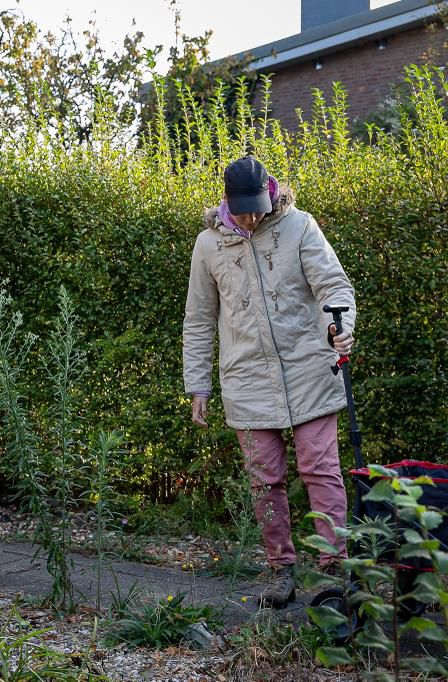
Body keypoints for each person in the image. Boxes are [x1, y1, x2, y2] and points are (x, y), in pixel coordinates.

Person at [182, 155, 356, 609]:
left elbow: (333, 287)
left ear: (272, 193)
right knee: (264, 480)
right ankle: (281, 569)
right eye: (243, 209)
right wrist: (198, 386)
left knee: (320, 470)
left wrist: (340, 322)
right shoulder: (208, 245)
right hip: (247, 378)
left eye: (259, 206)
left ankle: (332, 569)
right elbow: (199, 320)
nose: (252, 217)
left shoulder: (299, 226)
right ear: (226, 201)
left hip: (310, 370)